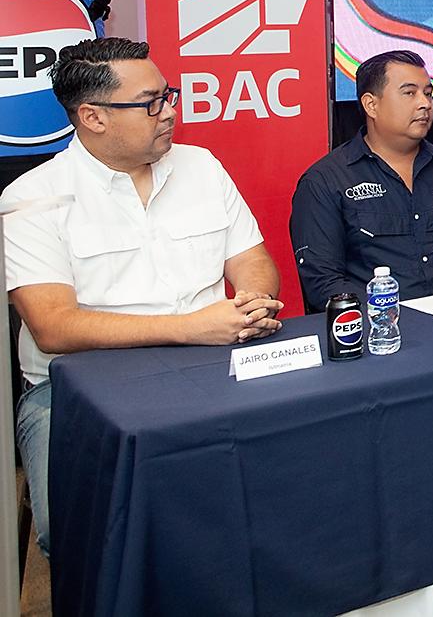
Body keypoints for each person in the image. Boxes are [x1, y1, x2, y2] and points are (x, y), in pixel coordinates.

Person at [1, 38, 283, 558]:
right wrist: (189, 328)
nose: (170, 112)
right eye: (151, 102)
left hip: (215, 362)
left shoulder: (201, 166)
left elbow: (253, 262)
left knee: (280, 487)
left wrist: (252, 302)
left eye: (169, 95)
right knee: (85, 536)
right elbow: (53, 326)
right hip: (80, 391)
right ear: (93, 116)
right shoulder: (33, 196)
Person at [290, 50, 433, 310]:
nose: (424, 103)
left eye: (428, 93)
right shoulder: (325, 181)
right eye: (409, 93)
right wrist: (386, 320)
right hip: (379, 334)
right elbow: (324, 282)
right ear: (371, 105)